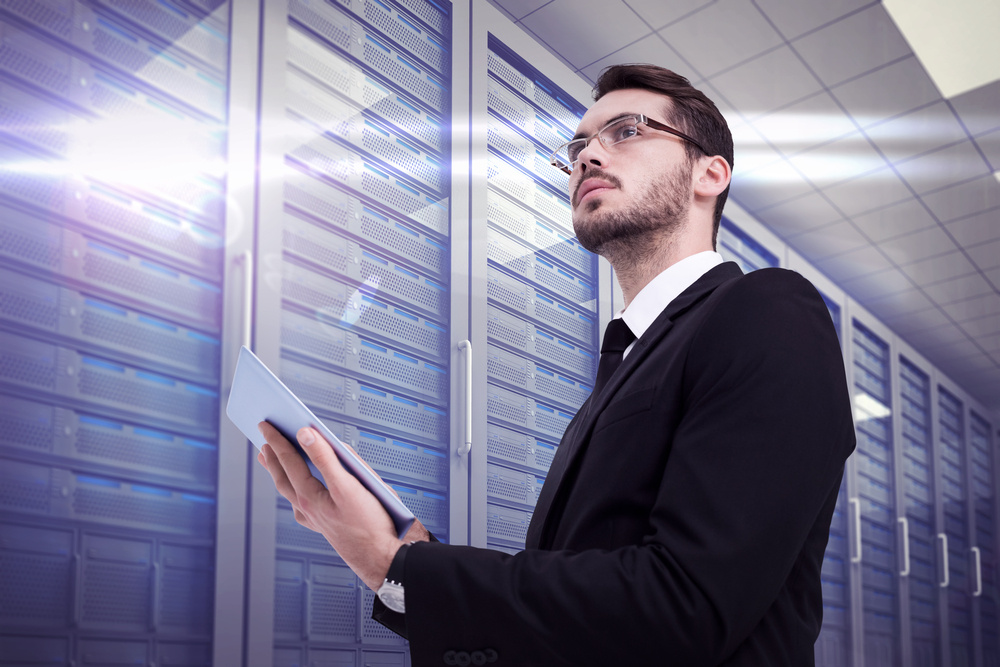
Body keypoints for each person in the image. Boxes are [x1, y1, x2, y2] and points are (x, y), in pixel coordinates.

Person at [257, 64, 856, 666]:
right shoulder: (624, 369)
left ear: (710, 173)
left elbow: (687, 604)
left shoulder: (768, 309)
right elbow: (571, 622)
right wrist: (403, 553)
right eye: (578, 147)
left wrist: (401, 568)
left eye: (625, 131)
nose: (588, 157)